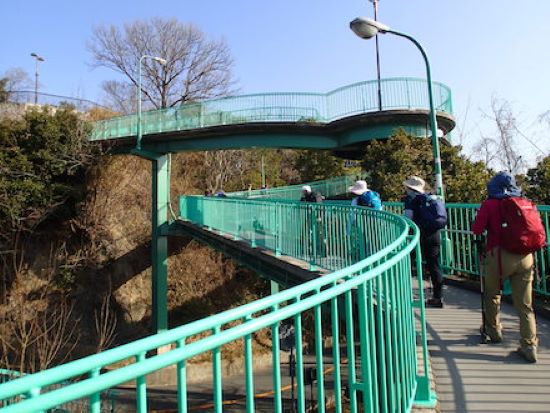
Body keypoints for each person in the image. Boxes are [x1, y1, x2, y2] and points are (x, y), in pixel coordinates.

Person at [472, 171, 539, 362]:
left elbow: (477, 229)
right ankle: (529, 345)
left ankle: (494, 332)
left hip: (499, 256)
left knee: (492, 294)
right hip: (525, 256)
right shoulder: (524, 202)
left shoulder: (490, 204)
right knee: (525, 305)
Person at [403, 176, 447, 308]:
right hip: (434, 234)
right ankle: (438, 297)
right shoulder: (431, 198)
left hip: (418, 235)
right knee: (434, 265)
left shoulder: (411, 199)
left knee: (407, 262)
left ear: (410, 188)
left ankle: (405, 295)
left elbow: (408, 219)